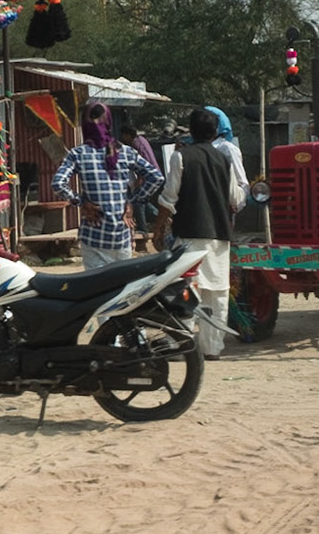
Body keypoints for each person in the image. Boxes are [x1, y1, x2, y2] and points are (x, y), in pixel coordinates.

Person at [151, 107, 248, 361]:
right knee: (217, 293)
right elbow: (236, 198)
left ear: (191, 131)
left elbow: (168, 198)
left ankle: (181, 344)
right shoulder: (224, 160)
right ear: (215, 132)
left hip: (190, 234)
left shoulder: (180, 157)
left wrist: (157, 228)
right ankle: (212, 348)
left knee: (185, 290)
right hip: (218, 237)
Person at [52, 102, 156, 269]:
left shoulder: (77, 154)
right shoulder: (125, 151)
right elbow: (156, 177)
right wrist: (132, 201)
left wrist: (81, 202)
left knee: (95, 283)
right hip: (121, 236)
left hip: (93, 236)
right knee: (122, 283)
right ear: (108, 123)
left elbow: (58, 183)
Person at [118, 122, 166, 231]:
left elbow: (143, 162)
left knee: (138, 201)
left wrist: (140, 179)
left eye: (124, 135)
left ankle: (143, 228)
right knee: (143, 201)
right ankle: (162, 218)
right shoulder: (141, 140)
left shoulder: (136, 144)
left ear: (127, 135)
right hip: (153, 174)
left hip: (149, 176)